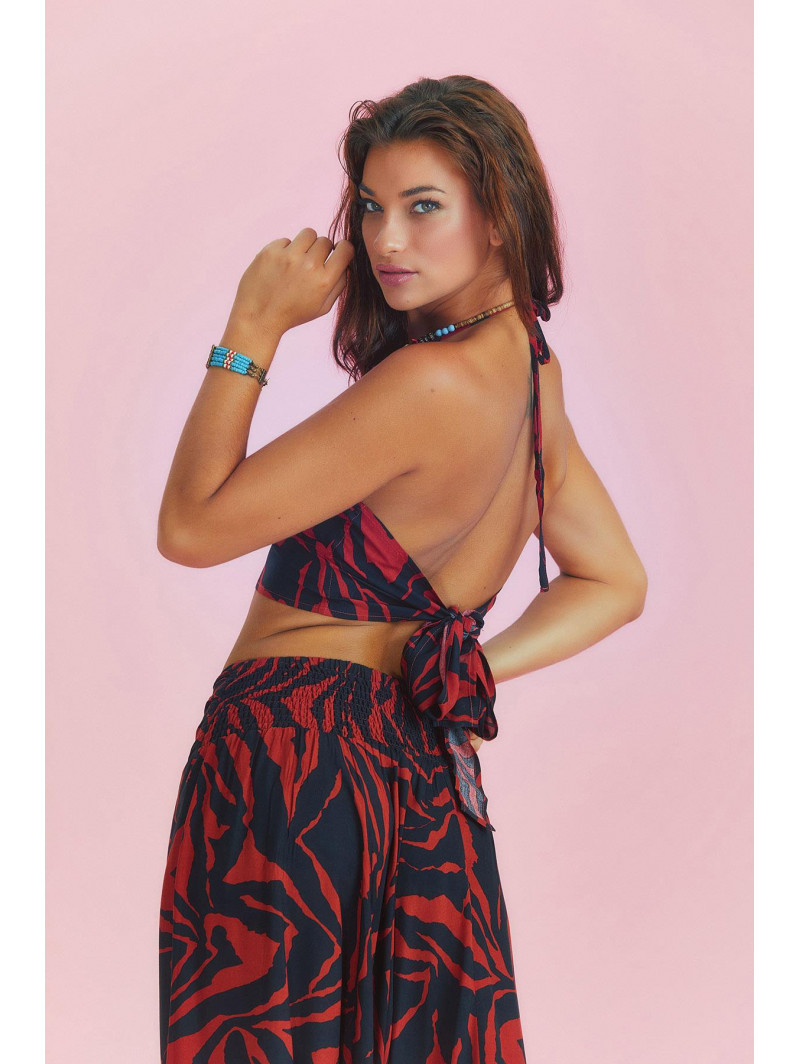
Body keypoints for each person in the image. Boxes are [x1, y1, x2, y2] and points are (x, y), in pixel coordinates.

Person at [156, 74, 647, 1064]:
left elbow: (191, 528)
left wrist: (251, 327)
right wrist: (472, 668)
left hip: (292, 756)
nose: (386, 240)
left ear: (499, 216)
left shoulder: (427, 381)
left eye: (424, 207)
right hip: (419, 766)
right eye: (373, 208)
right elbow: (614, 580)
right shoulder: (529, 372)